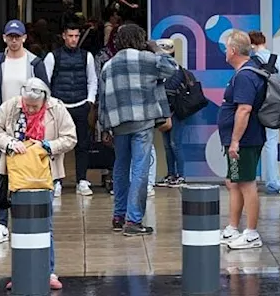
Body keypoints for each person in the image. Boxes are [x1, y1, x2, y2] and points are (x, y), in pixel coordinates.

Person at [0, 78, 77, 292]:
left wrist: (47, 146)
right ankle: (22, 272)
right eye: (28, 105)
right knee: (19, 224)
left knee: (45, 223)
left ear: (45, 99)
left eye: (35, 106)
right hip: (15, 174)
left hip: (45, 174)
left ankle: (48, 271)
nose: (31, 109)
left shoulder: (57, 109)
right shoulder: (11, 106)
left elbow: (70, 138)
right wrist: (9, 143)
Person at [97, 24, 173, 235]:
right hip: (142, 121)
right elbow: (171, 67)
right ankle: (133, 220)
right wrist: (156, 48)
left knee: (120, 167)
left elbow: (102, 100)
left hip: (118, 123)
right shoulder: (147, 59)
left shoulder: (108, 66)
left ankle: (119, 216)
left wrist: (103, 127)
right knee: (140, 168)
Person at [0, 20, 50, 243]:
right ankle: (1, 223)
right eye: (10, 36)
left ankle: (27, 218)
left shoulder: (34, 62)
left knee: (30, 175)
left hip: (31, 128)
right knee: (2, 176)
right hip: (4, 125)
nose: (14, 40)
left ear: (24, 38)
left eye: (17, 36)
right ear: (4, 38)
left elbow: (47, 94)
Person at [218, 30, 268, 250]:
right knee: (235, 181)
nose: (225, 52)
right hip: (240, 140)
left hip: (245, 141)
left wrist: (235, 141)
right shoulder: (245, 73)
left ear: (233, 50)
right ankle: (232, 228)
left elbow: (244, 109)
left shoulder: (246, 76)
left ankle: (251, 233)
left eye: (227, 48)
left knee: (246, 183)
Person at [45, 22, 98, 197]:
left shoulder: (87, 56)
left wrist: (90, 101)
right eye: (70, 36)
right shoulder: (53, 56)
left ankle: (82, 180)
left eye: (76, 36)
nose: (74, 39)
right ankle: (56, 180)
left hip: (81, 104)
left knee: (82, 145)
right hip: (59, 106)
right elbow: (45, 81)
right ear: (64, 36)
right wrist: (50, 103)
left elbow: (92, 79)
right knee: (57, 146)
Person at [249, 30, 280, 195]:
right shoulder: (277, 59)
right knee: (271, 143)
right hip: (273, 105)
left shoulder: (251, 61)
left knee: (250, 143)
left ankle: (249, 180)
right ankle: (273, 182)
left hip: (255, 106)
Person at [155, 39, 189, 187]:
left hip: (175, 111)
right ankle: (171, 174)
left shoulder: (173, 69)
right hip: (166, 111)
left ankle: (180, 175)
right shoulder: (168, 68)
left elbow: (170, 91)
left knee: (175, 144)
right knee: (169, 145)